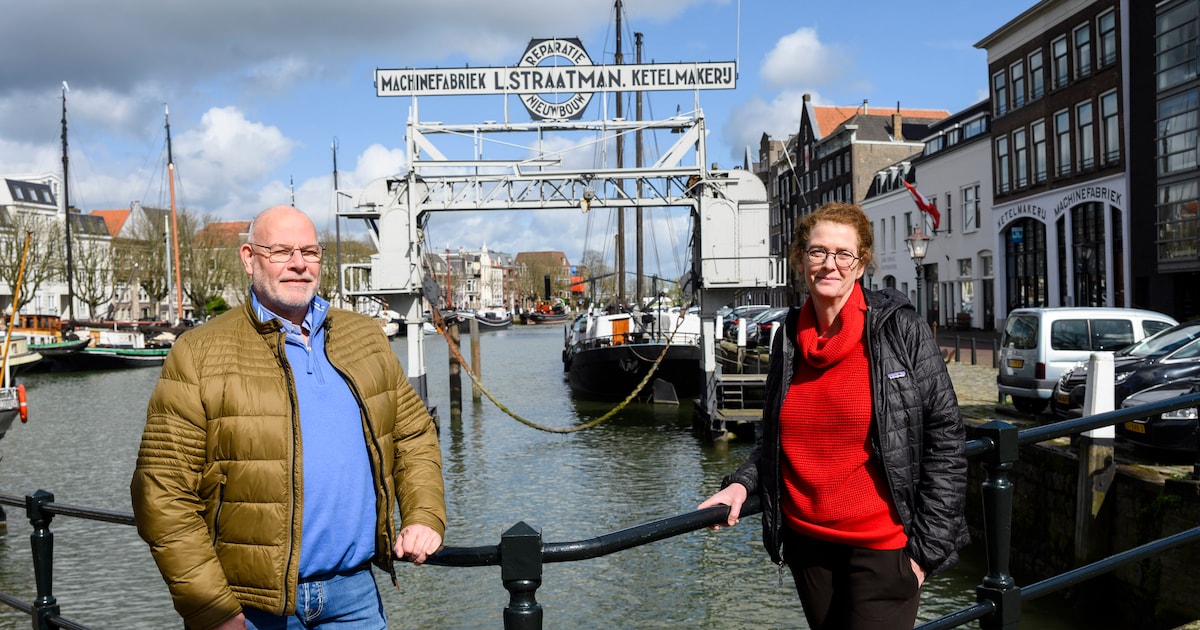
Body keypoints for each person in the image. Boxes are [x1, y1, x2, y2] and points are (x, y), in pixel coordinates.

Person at [131, 205, 446, 630]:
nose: (298, 264)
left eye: (310, 252)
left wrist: (423, 515)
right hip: (250, 606)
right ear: (249, 258)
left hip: (355, 595)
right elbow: (162, 492)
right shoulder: (199, 352)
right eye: (281, 251)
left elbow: (413, 435)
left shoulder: (364, 336)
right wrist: (210, 607)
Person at [698, 202, 968, 630]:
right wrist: (740, 485)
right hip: (808, 548)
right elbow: (775, 440)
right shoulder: (787, 338)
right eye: (818, 251)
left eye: (844, 254)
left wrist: (924, 554)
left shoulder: (899, 330)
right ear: (802, 260)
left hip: (883, 550)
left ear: (860, 265)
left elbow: (945, 439)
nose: (830, 264)